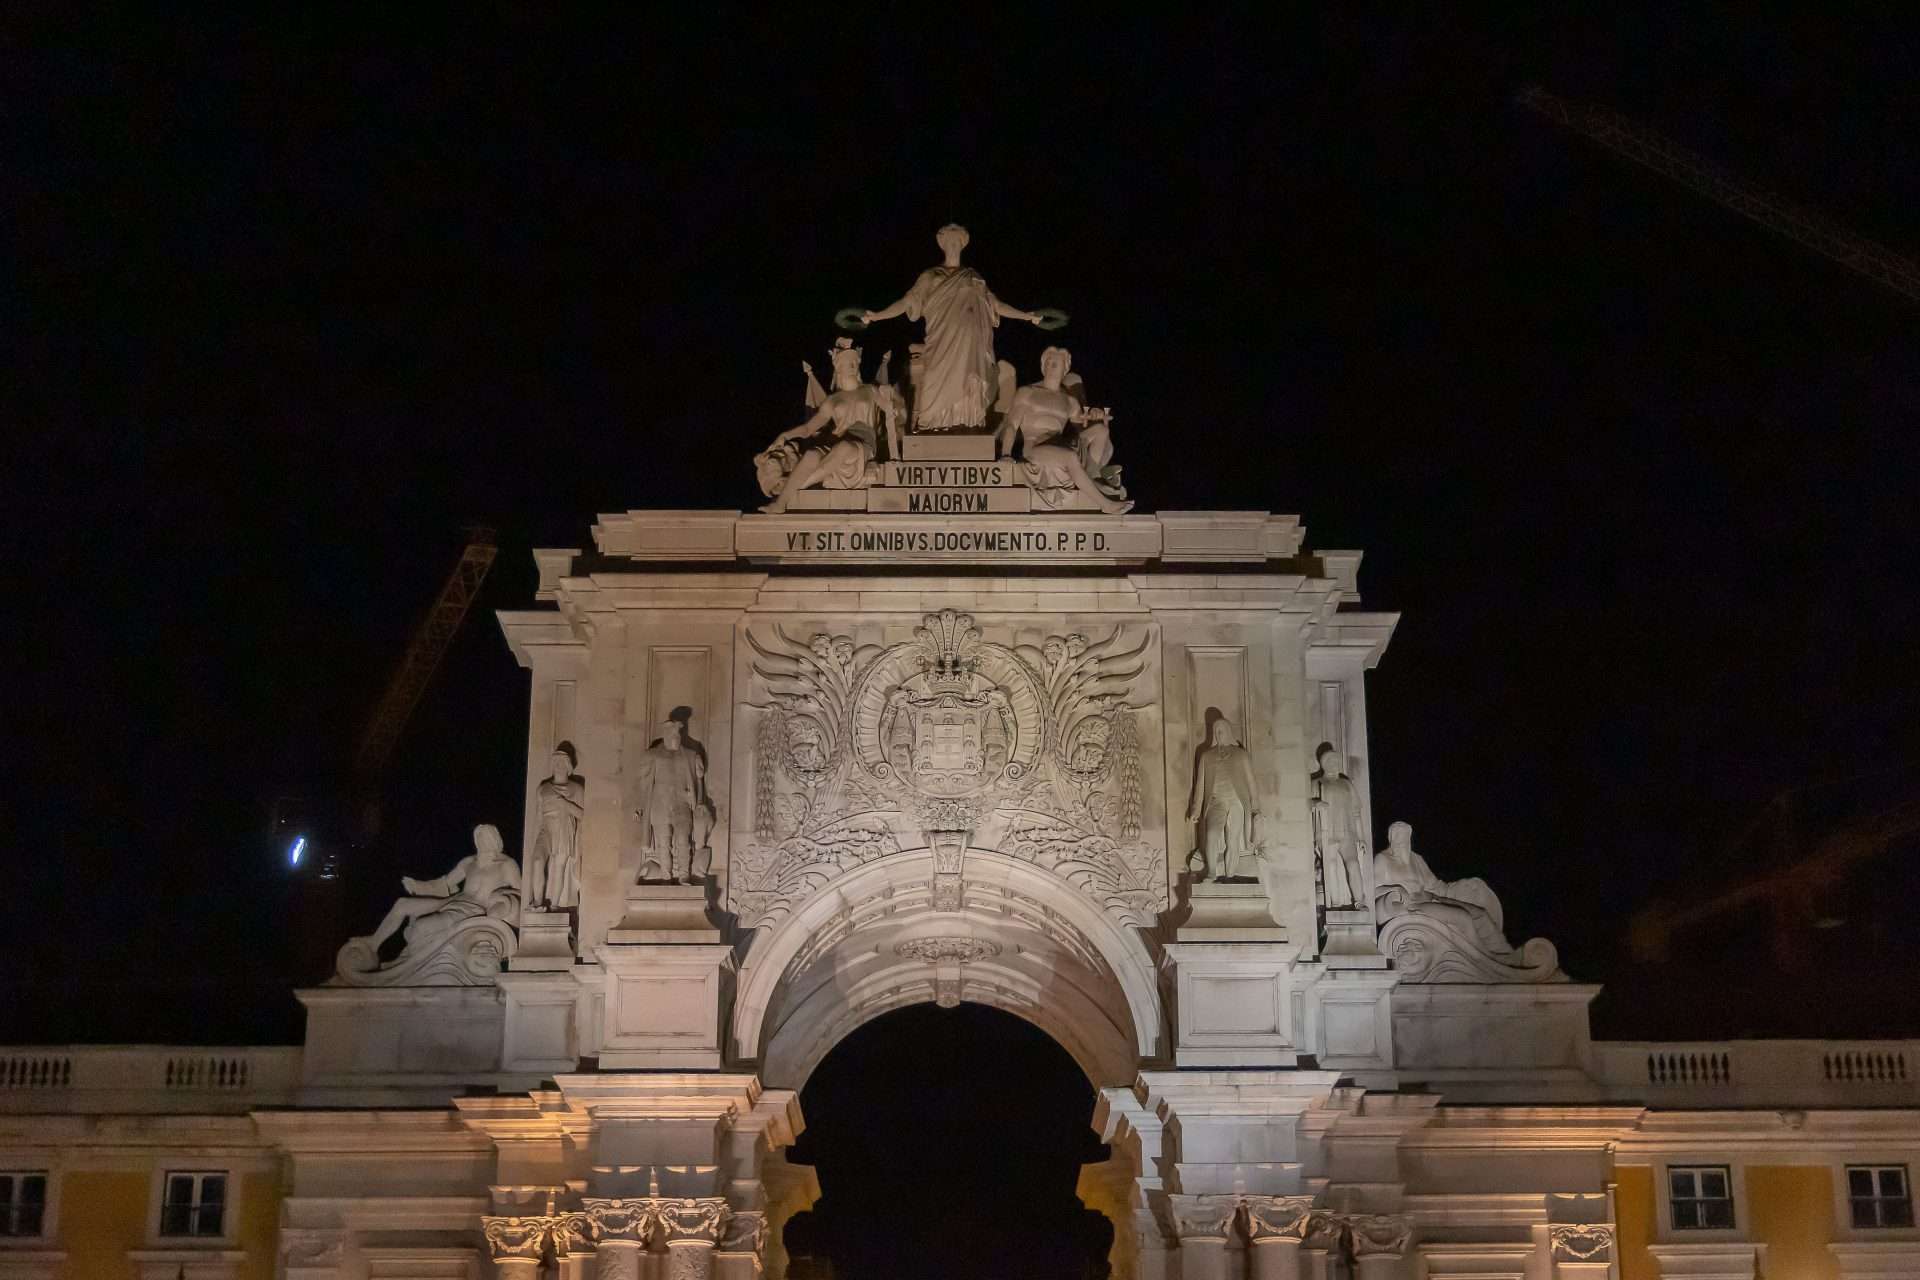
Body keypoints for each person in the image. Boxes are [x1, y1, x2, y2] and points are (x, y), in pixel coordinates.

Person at [861, 224, 1049, 431]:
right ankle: (931, 424)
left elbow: (995, 305)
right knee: (932, 380)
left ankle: (966, 423)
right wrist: (878, 316)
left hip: (969, 341)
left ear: (962, 245)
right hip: (940, 338)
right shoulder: (931, 275)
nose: (953, 245)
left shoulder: (973, 277)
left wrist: (1026, 316)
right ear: (942, 245)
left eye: (957, 241)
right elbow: (907, 302)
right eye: (949, 241)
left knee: (968, 382)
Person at [755, 339, 889, 512]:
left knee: (844, 447)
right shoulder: (832, 401)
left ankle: (796, 488)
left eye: (854, 362)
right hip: (839, 442)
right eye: (847, 362)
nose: (852, 365)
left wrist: (889, 397)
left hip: (862, 445)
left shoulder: (870, 390)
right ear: (838, 368)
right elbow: (808, 429)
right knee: (811, 454)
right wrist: (785, 436)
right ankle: (779, 505)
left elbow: (889, 408)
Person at [999, 346, 1131, 513]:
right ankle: (1105, 505)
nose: (1051, 365)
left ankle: (1091, 477)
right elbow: (1011, 425)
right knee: (1069, 456)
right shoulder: (1027, 392)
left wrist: (1095, 414)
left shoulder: (1070, 401)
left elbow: (1084, 422)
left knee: (1100, 430)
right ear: (1042, 366)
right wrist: (1006, 454)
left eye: (1056, 362)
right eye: (1048, 361)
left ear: (1065, 368)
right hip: (1035, 449)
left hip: (1060, 445)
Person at [358, 824, 521, 958]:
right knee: (402, 904)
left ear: (495, 839)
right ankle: (373, 944)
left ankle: (414, 965)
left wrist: (502, 904)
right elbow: (445, 883)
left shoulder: (506, 864)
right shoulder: (468, 862)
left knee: (421, 927)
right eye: (479, 836)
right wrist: (418, 886)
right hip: (451, 902)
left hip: (473, 911)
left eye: (486, 836)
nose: (482, 840)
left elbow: (520, 894)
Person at [634, 718, 712, 883]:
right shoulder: (653, 755)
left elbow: (699, 782)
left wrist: (699, 802)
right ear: (666, 734)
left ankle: (684, 875)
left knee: (683, 840)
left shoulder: (690, 755)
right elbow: (644, 784)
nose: (676, 737)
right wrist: (640, 806)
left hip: (682, 804)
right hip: (659, 805)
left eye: (678, 733)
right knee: (663, 842)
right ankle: (666, 877)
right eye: (673, 733)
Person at [1187, 717, 1260, 879]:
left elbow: (1251, 782)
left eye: (1221, 731)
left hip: (1236, 802)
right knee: (1211, 834)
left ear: (1228, 731)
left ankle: (1230, 874)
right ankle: (1212, 871)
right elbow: (1200, 786)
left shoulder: (1241, 755)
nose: (1219, 734)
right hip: (1216, 802)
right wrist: (1196, 810)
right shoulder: (1206, 756)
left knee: (1233, 839)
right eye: (1216, 731)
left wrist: (1256, 808)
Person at [1311, 744, 1367, 909]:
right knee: (1330, 865)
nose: (1334, 764)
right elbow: (1304, 803)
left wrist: (1361, 837)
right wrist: (1315, 803)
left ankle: (1359, 900)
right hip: (1326, 832)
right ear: (1324, 764)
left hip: (1347, 832)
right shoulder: (1316, 783)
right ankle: (1334, 902)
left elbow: (1356, 813)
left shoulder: (1346, 783)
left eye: (1336, 761)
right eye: (1331, 761)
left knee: (1353, 864)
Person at [530, 747, 584, 910]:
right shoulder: (543, 788)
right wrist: (535, 836)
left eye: (562, 762)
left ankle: (554, 906)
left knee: (559, 867)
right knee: (537, 861)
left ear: (569, 766)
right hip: (546, 828)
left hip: (564, 828)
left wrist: (565, 804)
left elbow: (583, 815)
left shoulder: (576, 788)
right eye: (556, 762)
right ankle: (537, 903)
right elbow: (538, 817)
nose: (559, 765)